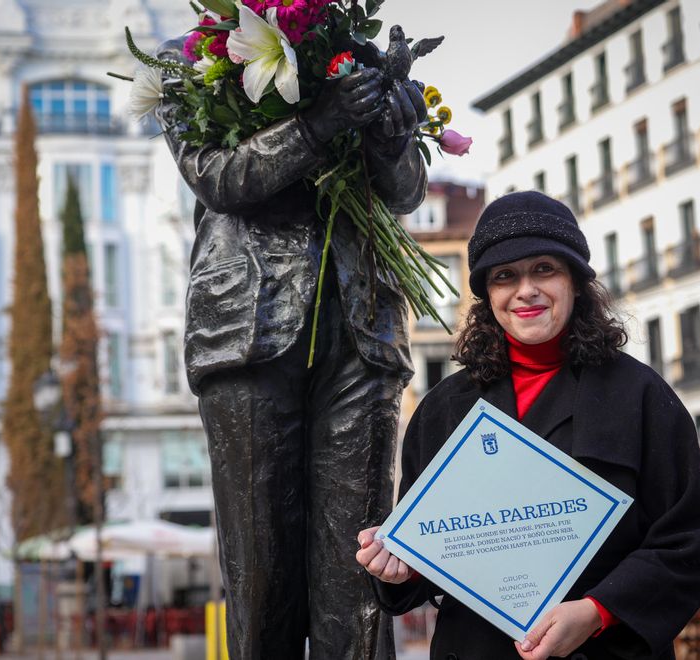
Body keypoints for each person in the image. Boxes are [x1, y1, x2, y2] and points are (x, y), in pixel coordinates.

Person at [357, 191, 700, 659]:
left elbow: (693, 539)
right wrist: (399, 566)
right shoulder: (443, 411)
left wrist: (597, 610)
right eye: (504, 276)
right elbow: (427, 553)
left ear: (576, 281)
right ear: (488, 295)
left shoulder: (642, 396)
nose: (525, 290)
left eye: (544, 269)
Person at [154, 36, 427, 660]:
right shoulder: (189, 56)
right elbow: (215, 176)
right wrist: (320, 123)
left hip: (362, 327)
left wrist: (390, 138)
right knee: (262, 573)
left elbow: (407, 193)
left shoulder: (352, 52)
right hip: (249, 327)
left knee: (361, 573)